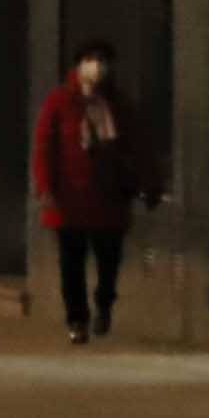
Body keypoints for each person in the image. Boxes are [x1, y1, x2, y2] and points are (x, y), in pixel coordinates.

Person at [30, 37, 158, 344]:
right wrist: (45, 187)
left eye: (102, 60)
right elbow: (44, 148)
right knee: (71, 264)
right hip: (69, 200)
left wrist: (149, 183)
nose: (97, 67)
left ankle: (103, 304)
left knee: (108, 260)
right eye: (90, 59)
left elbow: (138, 147)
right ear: (78, 64)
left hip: (109, 199)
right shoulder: (60, 102)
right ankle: (77, 318)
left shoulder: (120, 105)